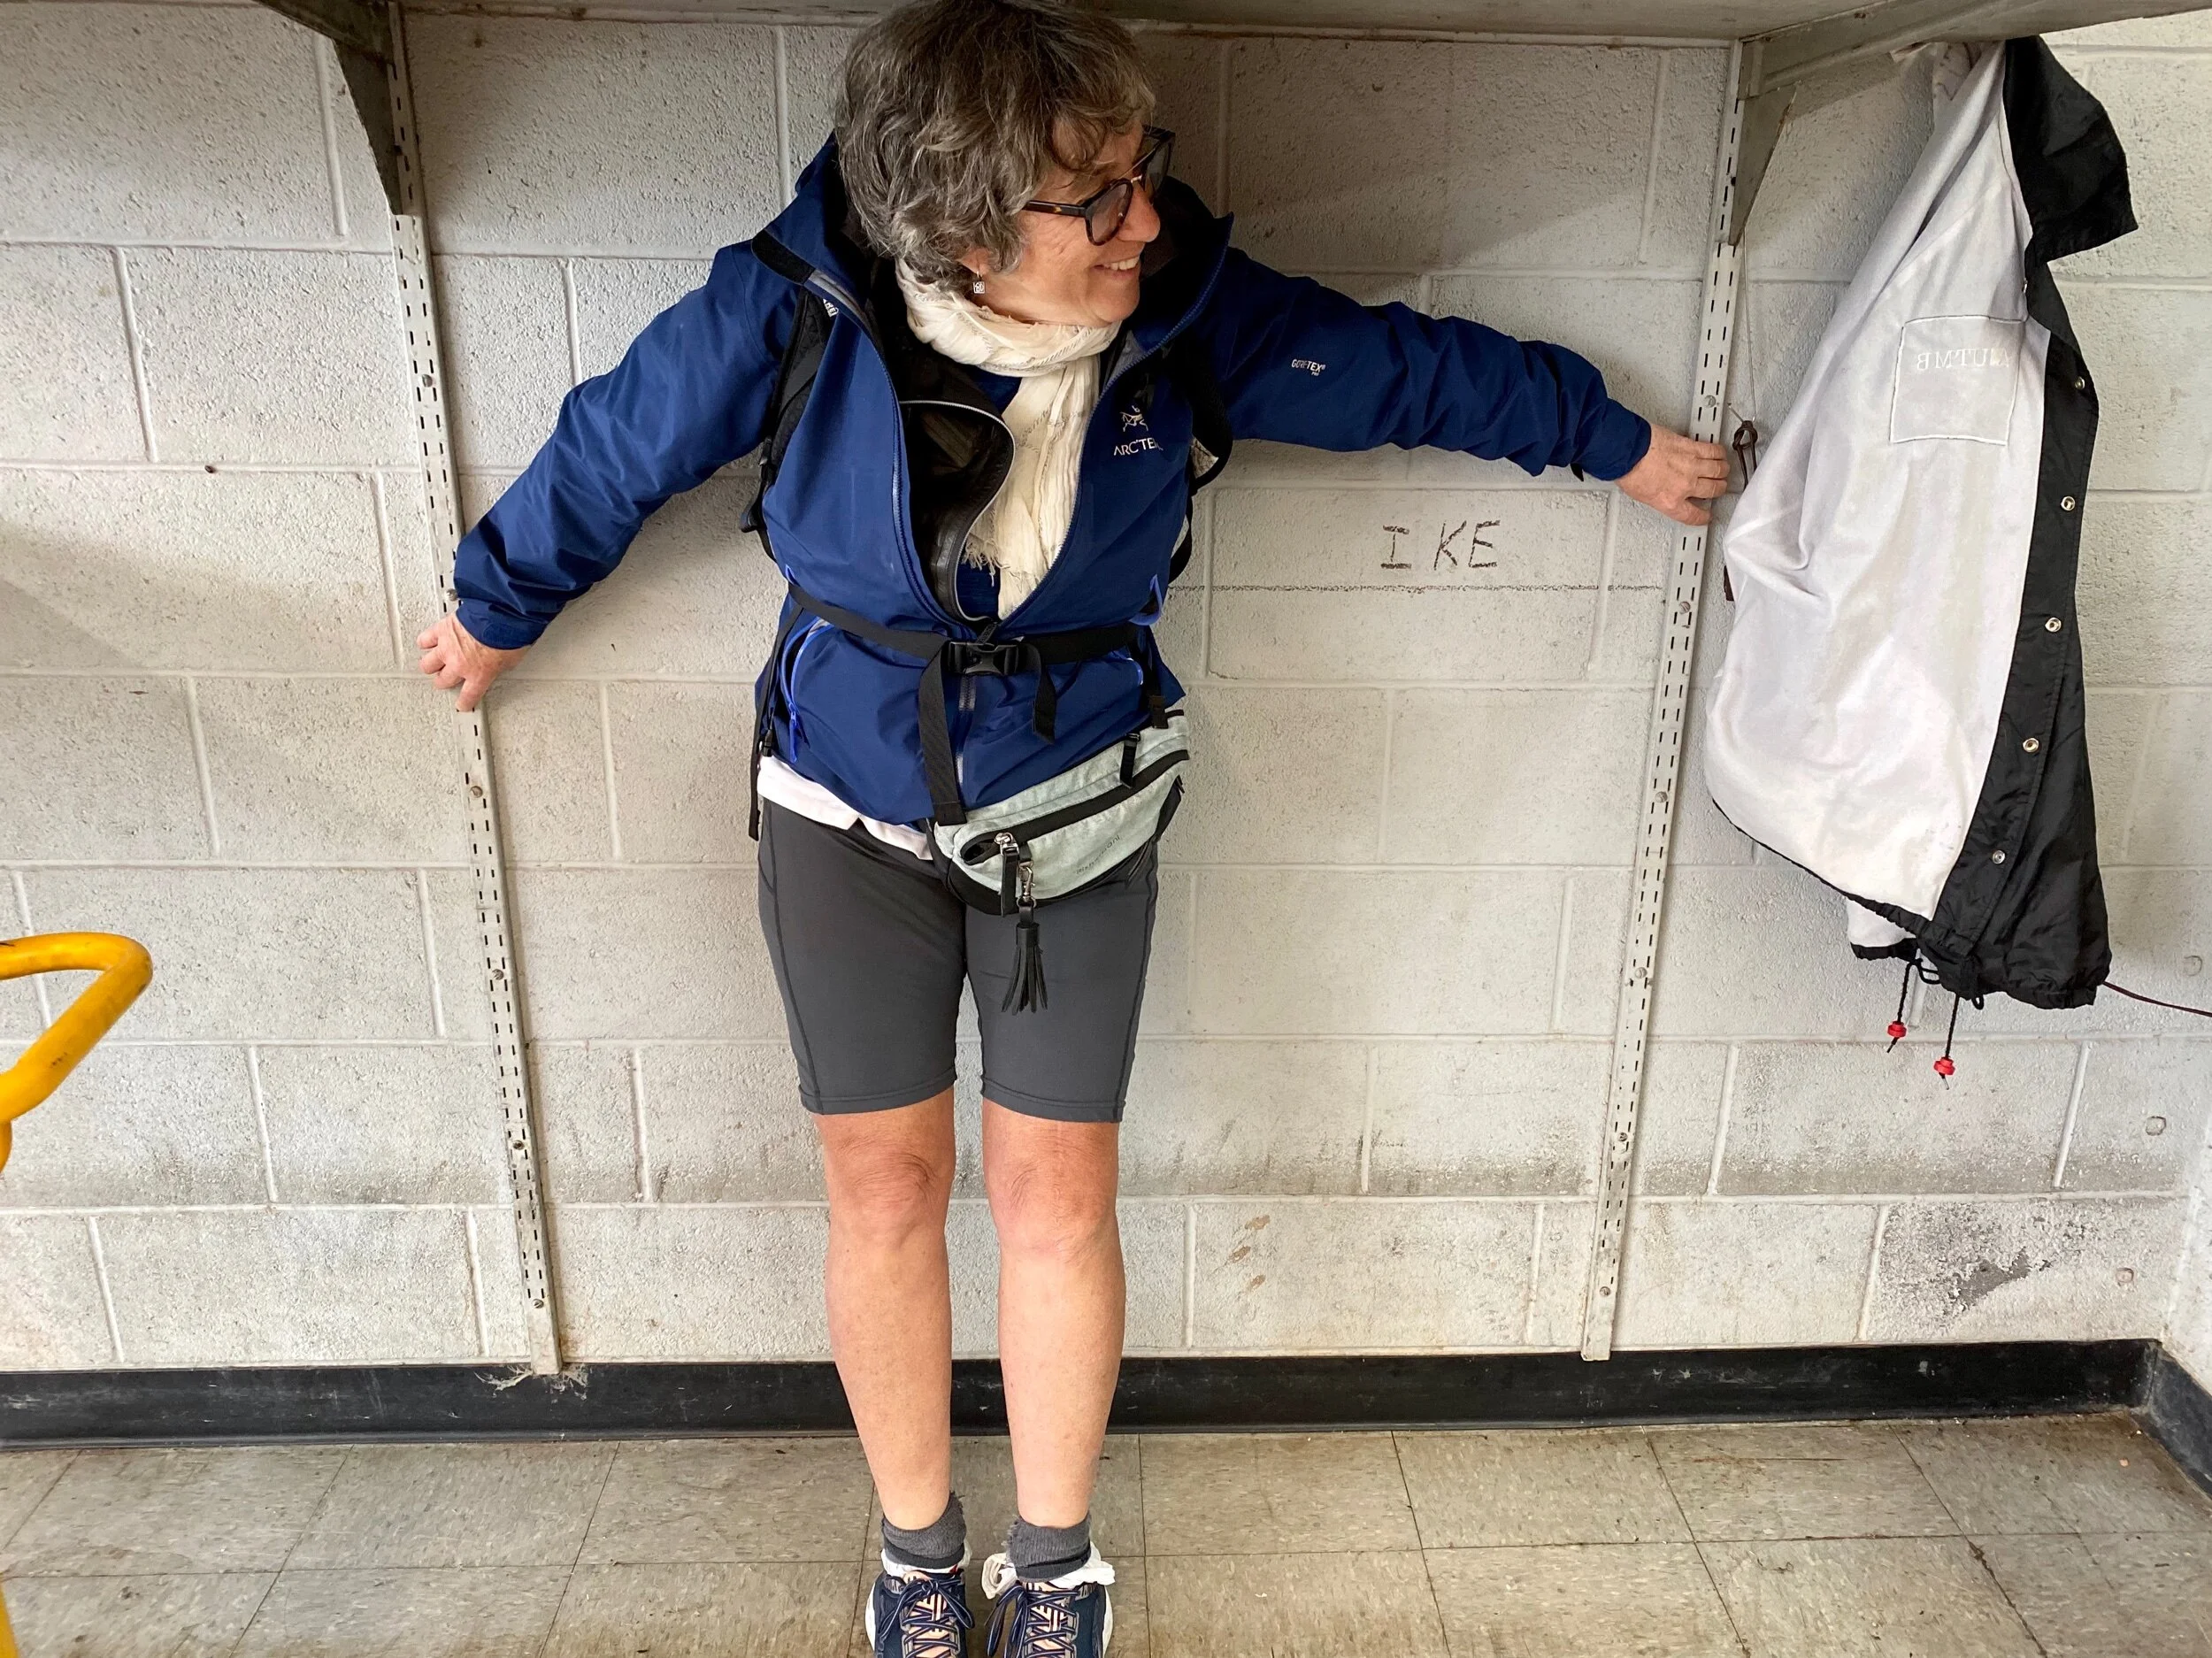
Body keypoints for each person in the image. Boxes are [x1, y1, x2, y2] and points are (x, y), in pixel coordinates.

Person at [417, 0, 1727, 1650]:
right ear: (962, 228)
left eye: (1139, 170)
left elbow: (1401, 368)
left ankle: (1053, 1566)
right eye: (1095, 194)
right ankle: (914, 1557)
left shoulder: (1183, 319)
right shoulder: (793, 306)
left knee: (1054, 1196)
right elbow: (615, 445)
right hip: (839, 797)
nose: (1147, 219)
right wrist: (496, 601)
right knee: (883, 1185)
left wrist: (1606, 439)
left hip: (1077, 805)